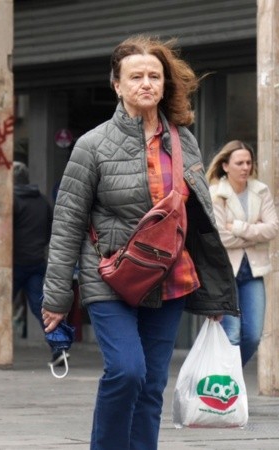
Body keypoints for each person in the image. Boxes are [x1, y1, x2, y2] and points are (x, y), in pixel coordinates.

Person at [41, 35, 238, 450]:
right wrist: (57, 297)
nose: (146, 83)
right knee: (126, 372)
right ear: (117, 84)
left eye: (154, 76)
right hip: (111, 276)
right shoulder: (92, 146)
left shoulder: (184, 140)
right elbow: (67, 224)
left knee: (150, 385)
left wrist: (215, 296)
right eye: (136, 76)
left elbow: (198, 221)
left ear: (165, 84)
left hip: (170, 279)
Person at [206, 140, 279, 367]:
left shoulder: (261, 190)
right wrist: (254, 230)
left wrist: (236, 227)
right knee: (232, 334)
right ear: (226, 166)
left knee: (253, 335)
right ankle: (226, 382)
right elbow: (220, 235)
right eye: (239, 163)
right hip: (225, 273)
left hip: (253, 271)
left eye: (248, 162)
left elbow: (273, 228)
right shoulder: (216, 193)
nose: (245, 167)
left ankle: (229, 377)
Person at [12, 161, 65, 364]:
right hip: (36, 261)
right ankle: (59, 348)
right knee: (42, 307)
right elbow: (50, 229)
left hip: (15, 263)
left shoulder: (12, 202)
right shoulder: (42, 201)